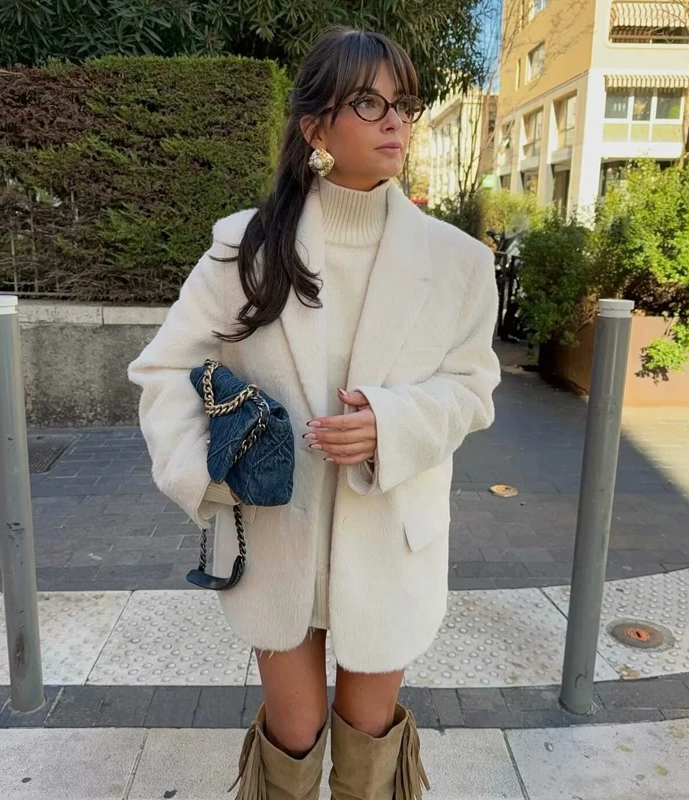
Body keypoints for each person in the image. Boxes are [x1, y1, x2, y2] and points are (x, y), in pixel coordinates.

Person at [128, 26, 500, 800]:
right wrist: (208, 474)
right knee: (291, 740)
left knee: (369, 744)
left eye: (404, 104)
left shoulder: (460, 262)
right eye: (368, 103)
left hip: (391, 536)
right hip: (275, 537)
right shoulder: (246, 247)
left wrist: (392, 425)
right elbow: (163, 369)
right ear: (315, 129)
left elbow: (472, 389)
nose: (395, 120)